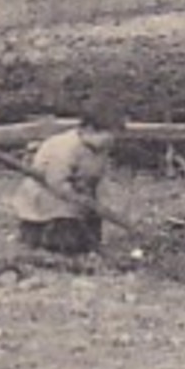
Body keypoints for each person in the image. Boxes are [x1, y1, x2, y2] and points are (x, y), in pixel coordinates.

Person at [13, 96, 123, 255]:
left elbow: (98, 180)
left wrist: (100, 204)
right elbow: (56, 183)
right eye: (108, 134)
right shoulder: (64, 146)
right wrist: (79, 200)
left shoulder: (100, 151)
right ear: (90, 130)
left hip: (77, 198)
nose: (112, 141)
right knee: (66, 242)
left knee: (90, 238)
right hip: (48, 198)